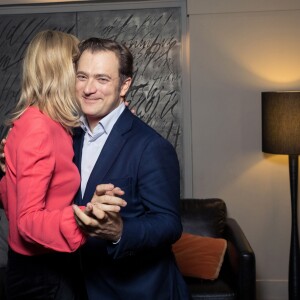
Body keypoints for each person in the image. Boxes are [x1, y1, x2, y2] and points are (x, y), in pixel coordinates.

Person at [0, 30, 126, 300]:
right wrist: (86, 215)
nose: (84, 81)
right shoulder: (39, 128)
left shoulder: (43, 122)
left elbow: (13, 197)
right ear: (63, 72)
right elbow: (26, 221)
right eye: (79, 71)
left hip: (48, 265)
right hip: (42, 274)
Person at [71, 38, 191, 300]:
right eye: (82, 76)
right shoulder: (67, 137)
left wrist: (120, 231)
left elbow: (169, 224)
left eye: (102, 79)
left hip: (139, 291)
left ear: (124, 85)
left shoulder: (150, 146)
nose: (89, 88)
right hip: (81, 287)